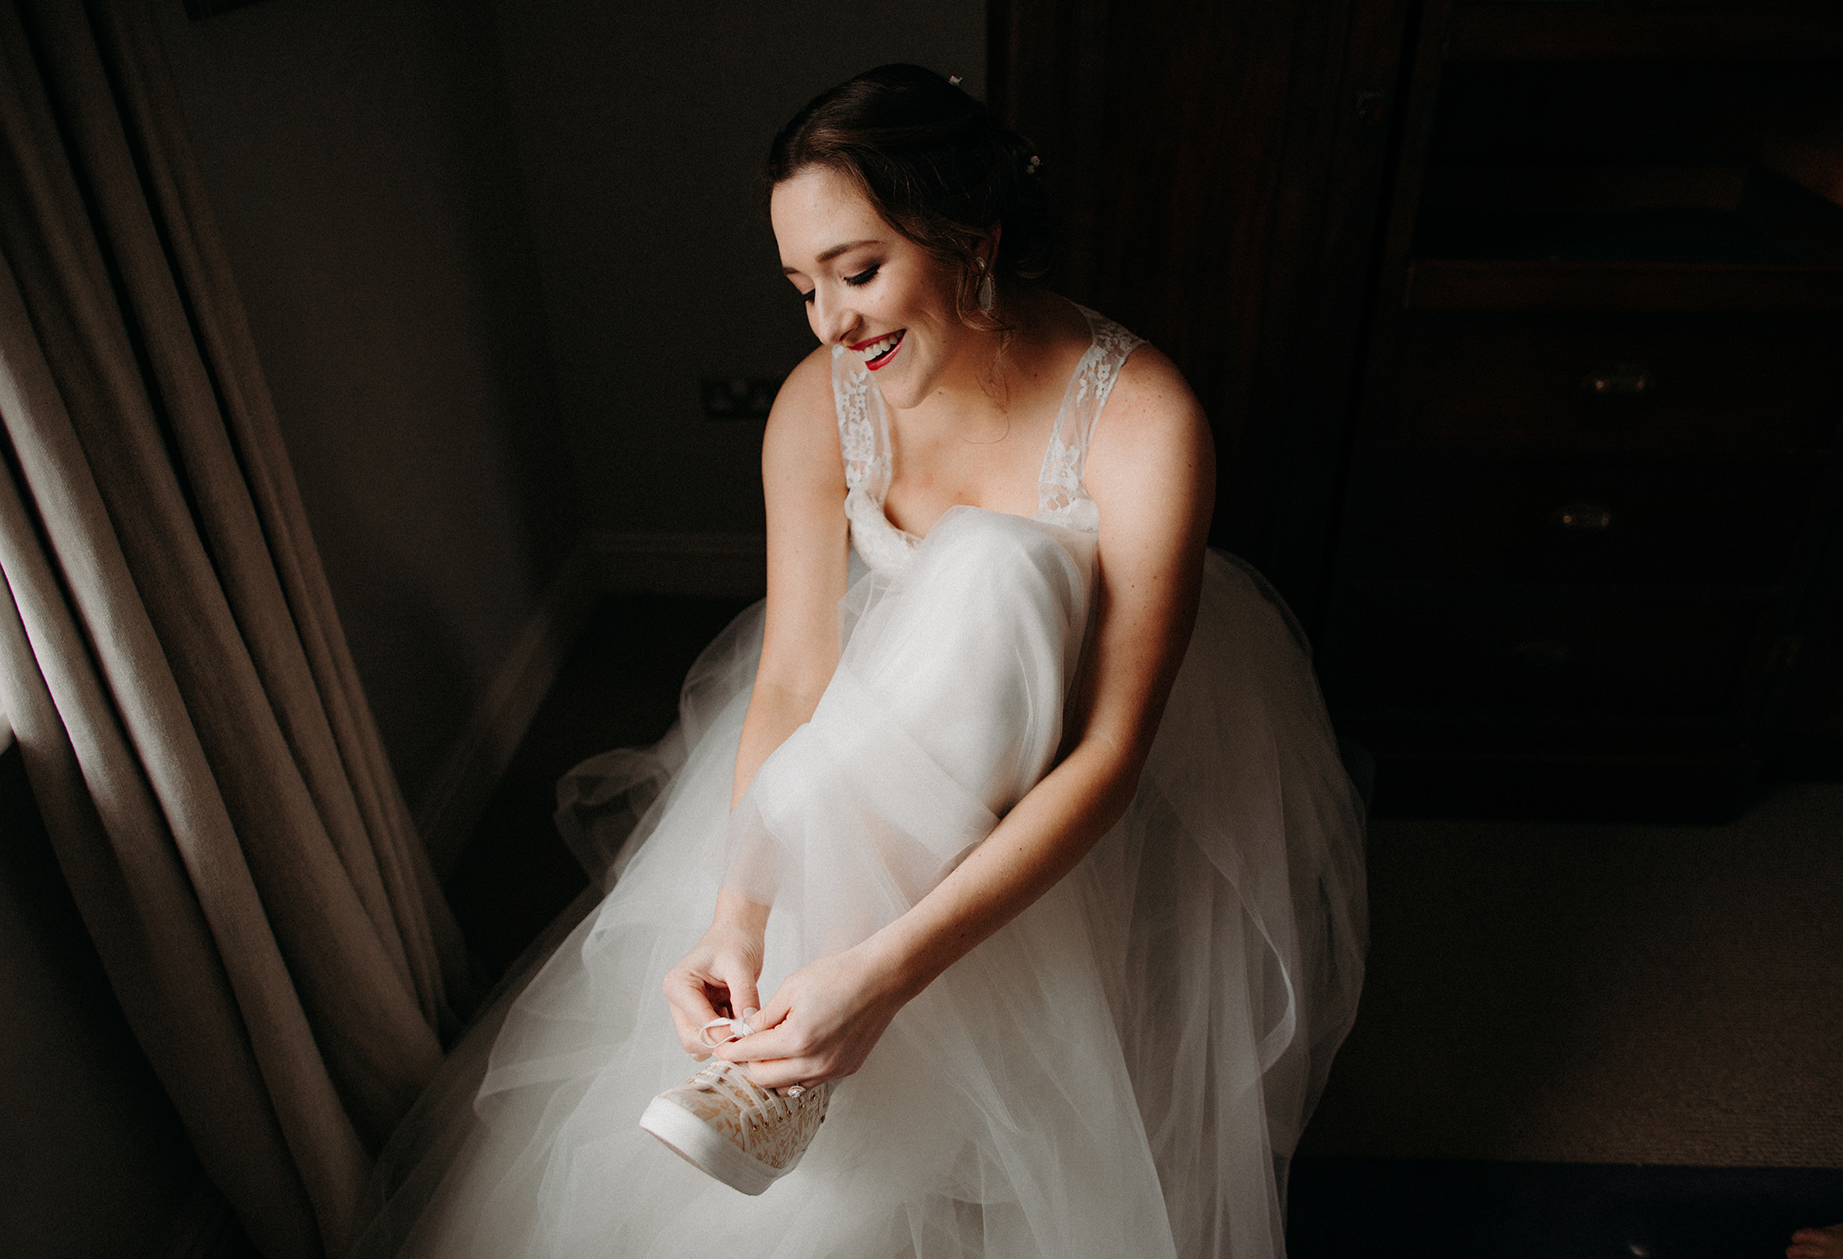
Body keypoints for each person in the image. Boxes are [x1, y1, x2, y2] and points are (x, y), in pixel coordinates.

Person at [357, 64, 1367, 1259]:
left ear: (972, 240)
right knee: (784, 892)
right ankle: (794, 1041)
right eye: (801, 287)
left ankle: (808, 1046)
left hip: (1076, 731)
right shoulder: (815, 405)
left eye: (857, 271)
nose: (830, 323)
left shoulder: (1144, 420)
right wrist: (737, 914)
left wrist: (884, 975)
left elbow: (1107, 750)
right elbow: (791, 677)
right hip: (903, 731)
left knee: (997, 567)